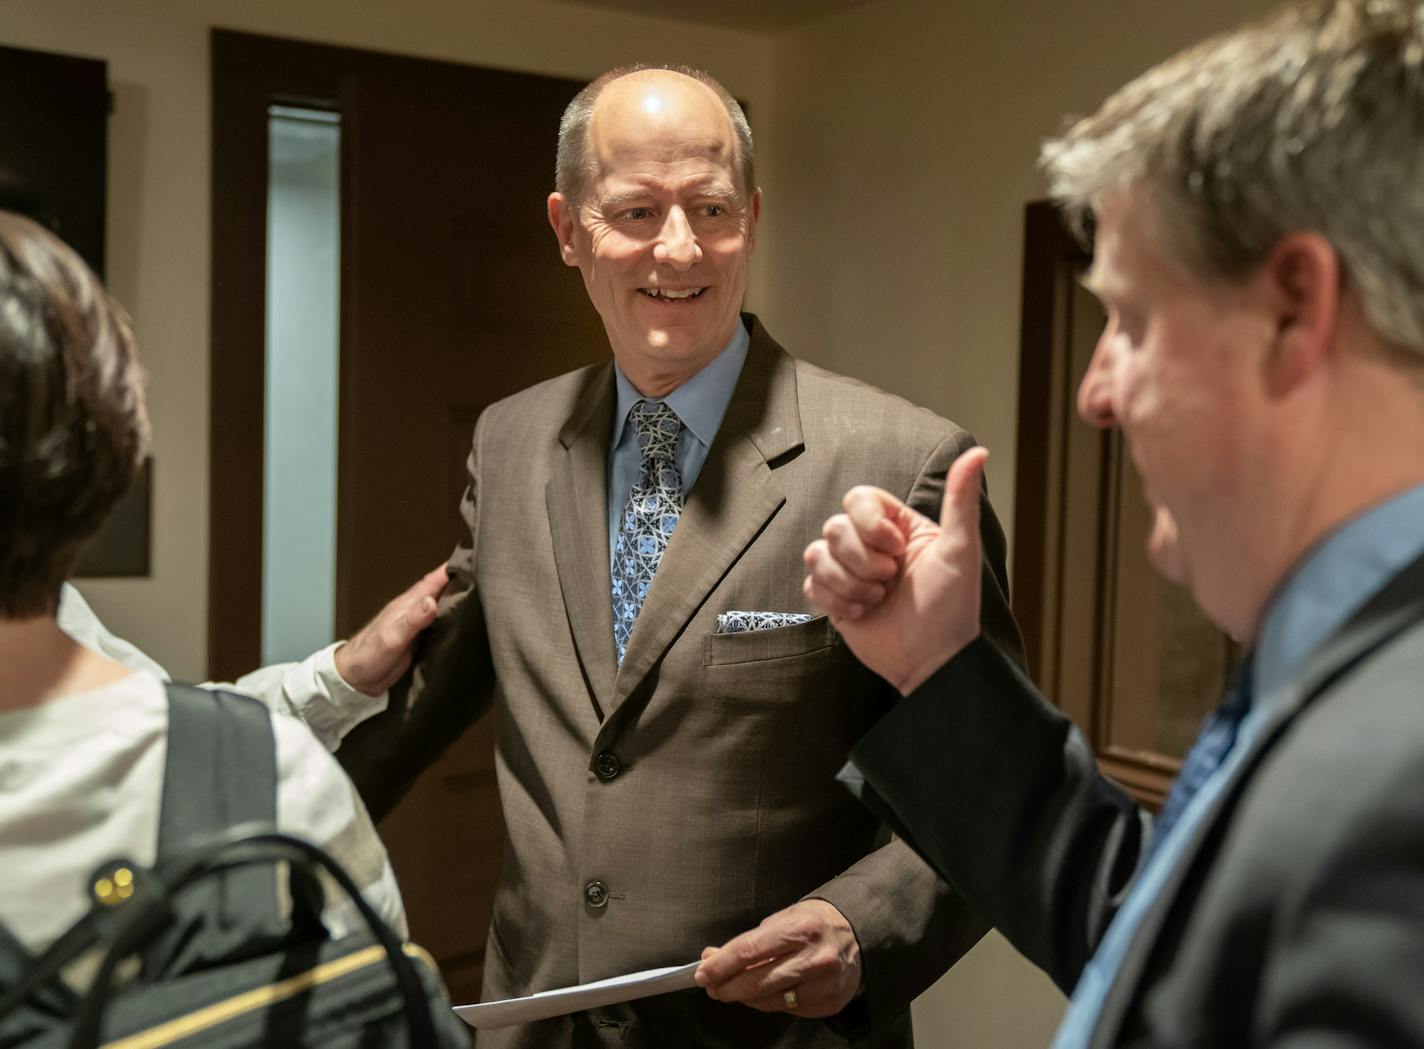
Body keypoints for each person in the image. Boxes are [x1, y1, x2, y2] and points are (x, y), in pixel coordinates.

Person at [335, 64, 1024, 1047]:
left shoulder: (900, 462)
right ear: (568, 228)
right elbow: (410, 710)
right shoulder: (511, 440)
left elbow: (992, 788)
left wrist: (859, 925)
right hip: (534, 1023)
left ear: (749, 213)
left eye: (709, 208)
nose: (678, 247)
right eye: (636, 210)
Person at [797, 1, 1424, 1045]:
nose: (1094, 391)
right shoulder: (1349, 657)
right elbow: (1169, 946)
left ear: (1291, 309)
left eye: (1128, 320)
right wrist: (938, 670)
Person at [0, 211, 407, 963]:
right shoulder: (291, 809)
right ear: (112, 454)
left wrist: (339, 675)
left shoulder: (71, 631)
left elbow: (163, 731)